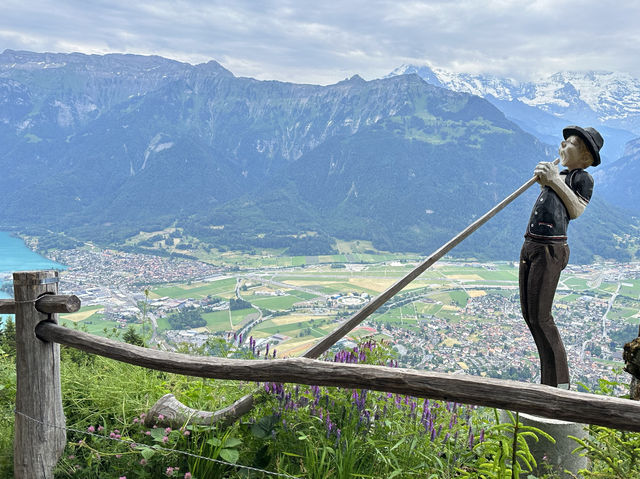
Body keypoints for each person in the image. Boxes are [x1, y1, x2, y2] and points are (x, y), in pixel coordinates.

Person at [519, 126, 604, 388]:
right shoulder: (561, 175)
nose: (562, 147)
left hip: (550, 249)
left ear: (586, 157)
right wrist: (548, 180)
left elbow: (576, 209)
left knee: (542, 317)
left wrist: (554, 180)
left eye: (569, 144)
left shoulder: (582, 179)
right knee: (530, 315)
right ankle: (548, 379)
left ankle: (559, 383)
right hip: (531, 244)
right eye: (563, 142)